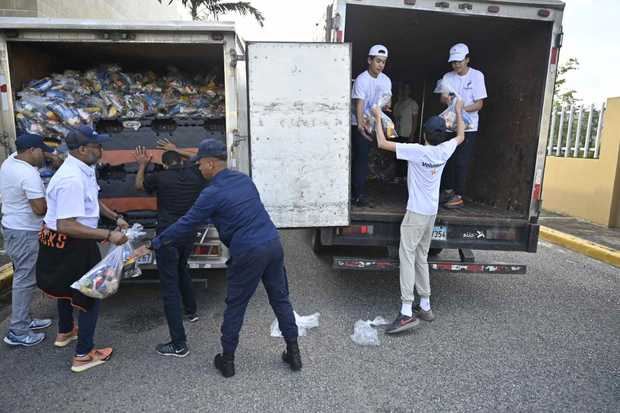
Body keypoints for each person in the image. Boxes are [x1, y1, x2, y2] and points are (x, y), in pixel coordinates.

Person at [137, 139, 301, 378]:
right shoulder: (244, 179)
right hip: (272, 243)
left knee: (236, 305)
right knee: (280, 299)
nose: (198, 168)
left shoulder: (211, 193)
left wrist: (155, 243)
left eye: (200, 164)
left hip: (248, 250)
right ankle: (294, 354)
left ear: (211, 164)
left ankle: (228, 360)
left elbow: (185, 224)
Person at [36, 126, 129, 373]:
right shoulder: (71, 179)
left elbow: (92, 200)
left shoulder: (83, 169)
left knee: (68, 289)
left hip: (67, 240)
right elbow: (66, 226)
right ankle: (84, 355)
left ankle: (66, 332)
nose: (102, 149)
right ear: (83, 149)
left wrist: (115, 217)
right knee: (91, 294)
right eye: (98, 146)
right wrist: (109, 234)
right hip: (70, 242)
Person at [372, 101, 465, 334]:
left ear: (424, 133)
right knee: (421, 256)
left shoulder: (416, 150)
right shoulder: (444, 150)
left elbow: (382, 143)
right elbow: (461, 136)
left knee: (407, 256)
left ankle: (405, 312)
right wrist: (459, 111)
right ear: (442, 136)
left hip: (415, 213)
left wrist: (376, 115)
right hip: (432, 212)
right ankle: (425, 304)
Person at [134, 146, 207, 357]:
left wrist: (141, 165)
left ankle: (179, 344)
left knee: (169, 287)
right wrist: (177, 149)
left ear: (165, 164)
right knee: (183, 268)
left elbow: (139, 186)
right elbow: (199, 158)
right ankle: (191, 311)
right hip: (188, 232)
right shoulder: (195, 173)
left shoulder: (159, 177)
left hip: (167, 235)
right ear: (181, 161)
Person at [1, 134, 54, 347]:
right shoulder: (27, 173)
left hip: (13, 227)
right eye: (41, 150)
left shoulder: (11, 160)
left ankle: (26, 319)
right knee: (24, 279)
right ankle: (18, 331)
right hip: (24, 231)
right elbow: (39, 209)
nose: (44, 154)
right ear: (31, 151)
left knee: (24, 275)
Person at [439, 43, 487, 209]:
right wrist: (447, 100)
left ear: (467, 59)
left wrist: (461, 110)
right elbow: (443, 98)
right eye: (453, 62)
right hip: (450, 125)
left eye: (459, 61)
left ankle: (458, 195)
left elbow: (479, 104)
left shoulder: (477, 76)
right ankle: (447, 190)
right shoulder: (447, 77)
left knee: (461, 161)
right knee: (447, 158)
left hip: (469, 126)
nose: (456, 65)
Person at [351, 44, 392, 207]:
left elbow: (387, 99)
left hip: (376, 122)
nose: (380, 65)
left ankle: (360, 191)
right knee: (360, 158)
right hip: (360, 123)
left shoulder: (386, 80)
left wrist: (386, 106)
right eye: (377, 61)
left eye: (383, 62)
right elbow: (359, 104)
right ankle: (358, 194)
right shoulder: (362, 79)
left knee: (368, 157)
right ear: (369, 60)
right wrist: (361, 125)